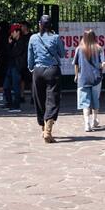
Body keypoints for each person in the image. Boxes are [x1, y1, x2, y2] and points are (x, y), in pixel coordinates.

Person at [28, 15, 66, 143]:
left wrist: (31, 68)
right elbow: (62, 53)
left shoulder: (33, 38)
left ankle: (43, 128)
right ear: (51, 26)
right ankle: (48, 129)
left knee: (40, 99)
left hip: (38, 71)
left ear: (40, 24)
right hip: (52, 70)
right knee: (53, 99)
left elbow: (30, 57)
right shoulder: (56, 38)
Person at [74, 29, 105, 131]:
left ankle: (87, 123)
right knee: (95, 99)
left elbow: (76, 64)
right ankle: (95, 119)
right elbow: (104, 64)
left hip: (83, 78)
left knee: (85, 102)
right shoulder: (99, 48)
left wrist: (76, 75)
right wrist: (101, 68)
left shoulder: (79, 49)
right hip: (96, 78)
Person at [4, 23, 26, 113]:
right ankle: (10, 103)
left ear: (17, 32)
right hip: (11, 66)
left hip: (16, 67)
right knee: (6, 86)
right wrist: (10, 44)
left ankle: (16, 105)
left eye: (13, 32)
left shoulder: (21, 42)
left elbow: (13, 54)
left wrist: (10, 45)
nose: (11, 34)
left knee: (16, 86)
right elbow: (9, 54)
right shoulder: (14, 42)